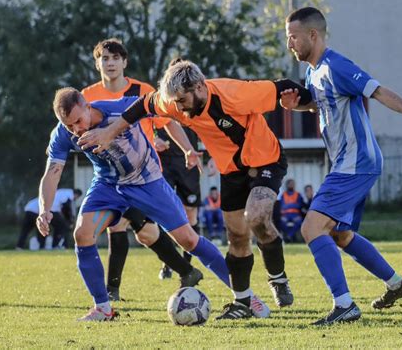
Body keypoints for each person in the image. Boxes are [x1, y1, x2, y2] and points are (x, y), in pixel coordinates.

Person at [77, 59, 314, 319]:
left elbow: (286, 87)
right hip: (231, 170)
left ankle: (277, 277)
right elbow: (142, 106)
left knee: (256, 217)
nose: (177, 108)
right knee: (236, 236)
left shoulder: (234, 93)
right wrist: (110, 132)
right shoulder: (173, 101)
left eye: (181, 101)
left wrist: (307, 104)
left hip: (266, 158)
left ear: (200, 87)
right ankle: (243, 303)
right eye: (174, 103)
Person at [282, 7, 402, 325]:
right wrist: (300, 105)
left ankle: (344, 305)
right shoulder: (313, 72)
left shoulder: (336, 65)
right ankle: (396, 284)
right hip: (349, 163)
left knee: (311, 228)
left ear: (313, 35)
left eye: (293, 36)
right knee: (340, 234)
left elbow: (375, 90)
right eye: (287, 37)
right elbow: (321, 104)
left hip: (356, 163)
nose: (290, 43)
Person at [37, 87, 232, 321]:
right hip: (108, 187)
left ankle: (244, 296)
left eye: (78, 120)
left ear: (88, 106)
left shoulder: (120, 107)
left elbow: (165, 108)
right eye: (70, 125)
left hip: (147, 182)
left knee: (188, 240)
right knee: (82, 234)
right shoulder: (63, 134)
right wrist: (44, 210)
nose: (76, 129)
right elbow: (52, 172)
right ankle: (103, 308)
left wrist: (191, 146)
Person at [82, 38, 202, 301]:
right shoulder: (87, 97)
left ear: (124, 62)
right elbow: (71, 124)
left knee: (123, 227)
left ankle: (111, 293)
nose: (110, 63)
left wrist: (187, 149)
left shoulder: (142, 90)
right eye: (105, 58)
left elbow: (168, 122)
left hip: (143, 176)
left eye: (115, 58)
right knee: (146, 234)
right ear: (97, 63)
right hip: (108, 178)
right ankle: (186, 271)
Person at [155, 122, 202, 280]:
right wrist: (153, 138)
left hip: (187, 163)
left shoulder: (192, 99)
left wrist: (215, 158)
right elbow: (140, 124)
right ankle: (168, 263)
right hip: (164, 163)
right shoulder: (155, 99)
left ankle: (187, 265)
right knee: (166, 213)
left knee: (190, 214)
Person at [16, 188, 82, 250]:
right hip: (39, 210)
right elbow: (66, 208)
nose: (75, 199)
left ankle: (19, 247)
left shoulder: (60, 192)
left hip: (29, 209)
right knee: (54, 227)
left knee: (26, 230)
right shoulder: (69, 194)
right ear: (76, 194)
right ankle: (53, 246)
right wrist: (70, 220)